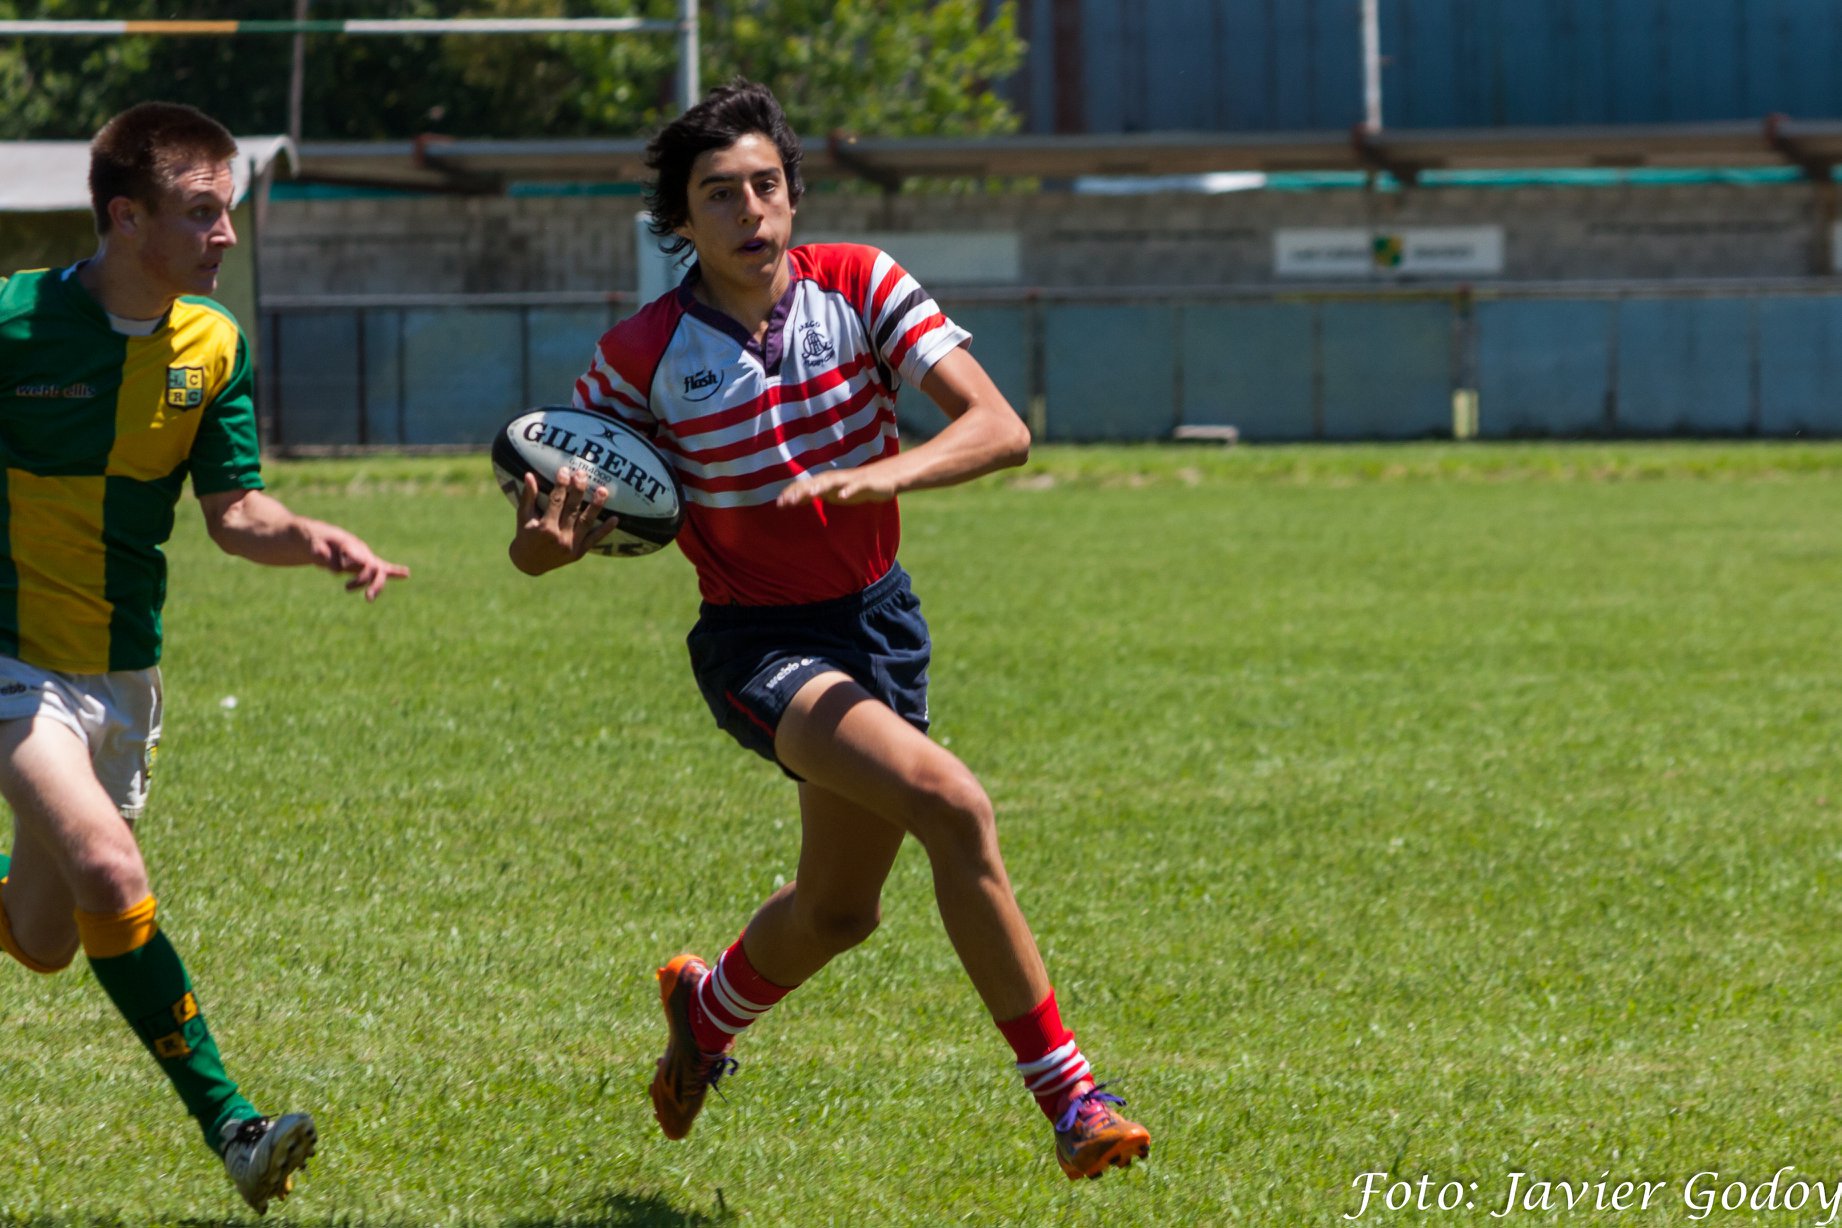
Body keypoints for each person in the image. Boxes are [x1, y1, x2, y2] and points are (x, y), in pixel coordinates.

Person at [508, 80, 1150, 1182]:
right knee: (955, 803)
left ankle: (703, 1013)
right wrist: (552, 543)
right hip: (759, 645)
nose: (750, 210)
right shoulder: (638, 355)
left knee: (841, 909)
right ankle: (1074, 1099)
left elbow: (1002, 429)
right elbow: (544, 531)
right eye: (719, 194)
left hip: (878, 623)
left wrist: (881, 474)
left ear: (793, 195)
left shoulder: (860, 283)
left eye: (766, 185)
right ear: (681, 221)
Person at [0, 102, 408, 1214]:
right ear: (125, 218)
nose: (226, 233)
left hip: (121, 675)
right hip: (11, 660)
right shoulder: (14, 322)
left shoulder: (214, 344)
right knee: (110, 872)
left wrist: (311, 536)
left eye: (226, 210)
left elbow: (235, 512)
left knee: (41, 936)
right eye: (202, 213)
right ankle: (234, 1126)